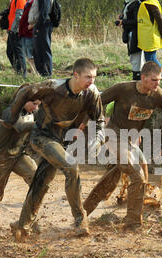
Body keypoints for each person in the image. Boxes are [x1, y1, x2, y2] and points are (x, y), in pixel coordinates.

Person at [7, 58, 105, 241]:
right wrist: (18, 112)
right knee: (71, 166)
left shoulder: (91, 93)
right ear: (76, 75)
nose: (92, 82)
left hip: (62, 140)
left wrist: (98, 140)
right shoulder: (52, 87)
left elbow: (99, 120)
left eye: (94, 77)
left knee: (42, 181)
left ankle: (21, 227)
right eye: (88, 77)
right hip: (42, 137)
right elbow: (24, 90)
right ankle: (80, 220)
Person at [83, 61, 162, 230]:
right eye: (153, 80)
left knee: (123, 172)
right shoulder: (123, 89)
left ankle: (83, 212)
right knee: (137, 176)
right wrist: (87, 125)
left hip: (130, 139)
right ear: (143, 77)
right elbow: (96, 103)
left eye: (159, 80)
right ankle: (132, 223)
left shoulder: (158, 95)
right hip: (113, 135)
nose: (157, 84)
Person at [0, 87, 41, 237]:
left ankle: (25, 223)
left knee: (38, 181)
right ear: (23, 100)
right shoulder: (10, 112)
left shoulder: (33, 112)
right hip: (0, 159)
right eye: (34, 104)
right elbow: (20, 126)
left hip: (19, 156)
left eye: (39, 104)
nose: (36, 107)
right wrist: (42, 124)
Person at [117, 0, 145, 80]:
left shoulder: (136, 4)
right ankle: (136, 81)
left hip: (135, 35)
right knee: (134, 58)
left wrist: (123, 22)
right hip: (130, 34)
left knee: (137, 58)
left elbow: (137, 21)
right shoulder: (128, 3)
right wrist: (122, 18)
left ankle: (138, 81)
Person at [137, 0, 162, 67]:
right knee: (150, 59)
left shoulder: (151, 4)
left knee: (151, 60)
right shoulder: (146, 3)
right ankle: (157, 75)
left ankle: (159, 75)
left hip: (150, 37)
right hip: (147, 37)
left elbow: (160, 21)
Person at [28, 0, 53, 76]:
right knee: (37, 51)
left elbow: (44, 13)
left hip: (43, 25)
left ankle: (47, 74)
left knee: (44, 50)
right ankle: (42, 73)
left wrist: (38, 26)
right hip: (41, 25)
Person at [6, 0, 27, 76]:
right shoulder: (13, 1)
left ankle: (22, 75)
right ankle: (18, 72)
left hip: (16, 31)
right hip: (11, 30)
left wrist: (13, 30)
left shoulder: (20, 1)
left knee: (19, 54)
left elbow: (19, 16)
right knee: (10, 52)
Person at [18, 0, 37, 77]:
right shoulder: (27, 4)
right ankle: (33, 73)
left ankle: (35, 74)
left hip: (29, 34)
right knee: (28, 56)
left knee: (31, 56)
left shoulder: (34, 3)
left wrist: (30, 27)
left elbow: (38, 17)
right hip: (24, 33)